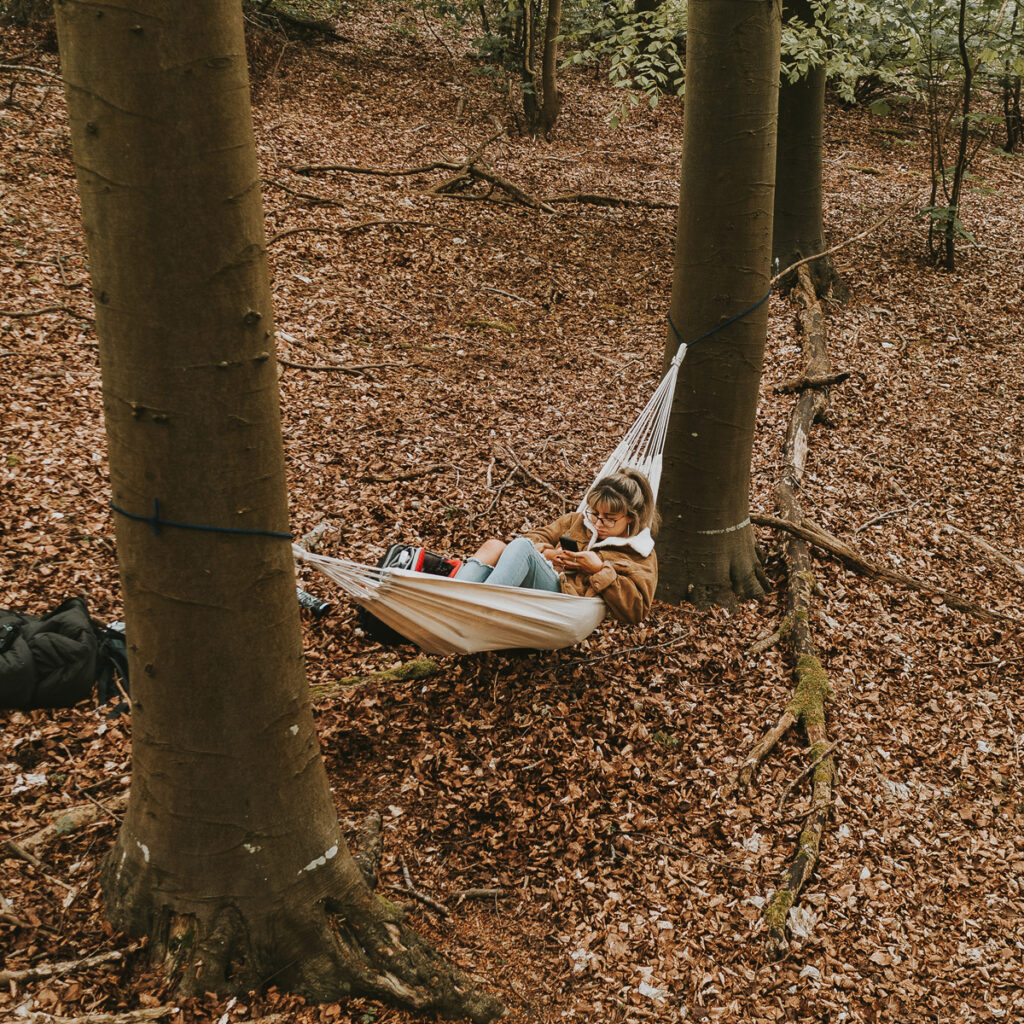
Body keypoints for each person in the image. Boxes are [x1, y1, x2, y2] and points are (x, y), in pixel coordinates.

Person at [454, 468, 659, 625]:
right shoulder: (576, 521)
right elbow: (535, 536)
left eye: (609, 519)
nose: (597, 522)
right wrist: (549, 553)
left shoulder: (640, 553)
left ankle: (477, 609)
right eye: (595, 513)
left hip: (565, 605)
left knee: (523, 548)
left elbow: (637, 610)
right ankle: (450, 600)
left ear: (631, 518)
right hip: (542, 586)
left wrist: (598, 570)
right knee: (494, 545)